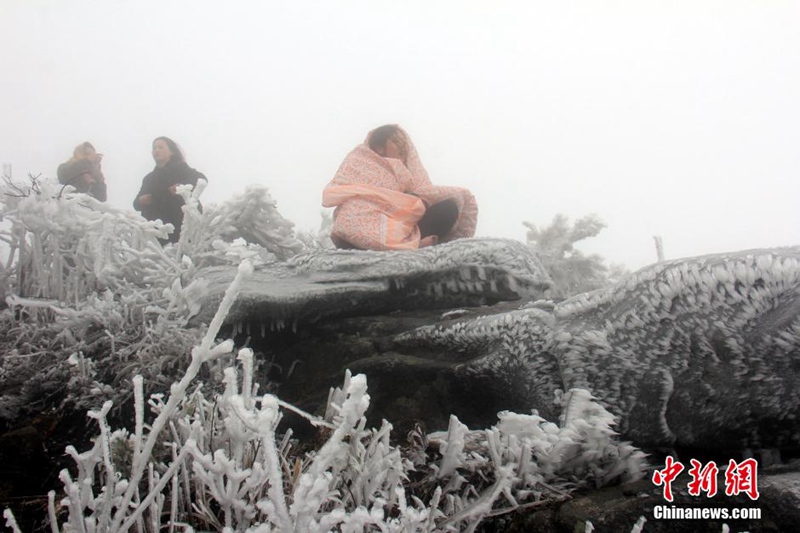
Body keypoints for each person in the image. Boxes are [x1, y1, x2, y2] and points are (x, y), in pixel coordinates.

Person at [322, 124, 478, 250]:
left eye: (405, 143)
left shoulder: (410, 176)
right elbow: (346, 193)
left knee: (448, 208)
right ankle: (409, 247)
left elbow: (423, 195)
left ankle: (411, 244)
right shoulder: (360, 163)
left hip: (406, 230)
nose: (403, 147)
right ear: (380, 147)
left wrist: (415, 202)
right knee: (352, 210)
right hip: (363, 229)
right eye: (396, 142)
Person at [133, 136, 207, 244]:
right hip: (158, 232)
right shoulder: (149, 178)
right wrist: (141, 200)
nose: (156, 150)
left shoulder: (182, 169)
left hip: (182, 228)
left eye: (160, 147)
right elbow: (136, 204)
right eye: (154, 148)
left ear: (171, 152)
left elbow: (201, 179)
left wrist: (182, 186)